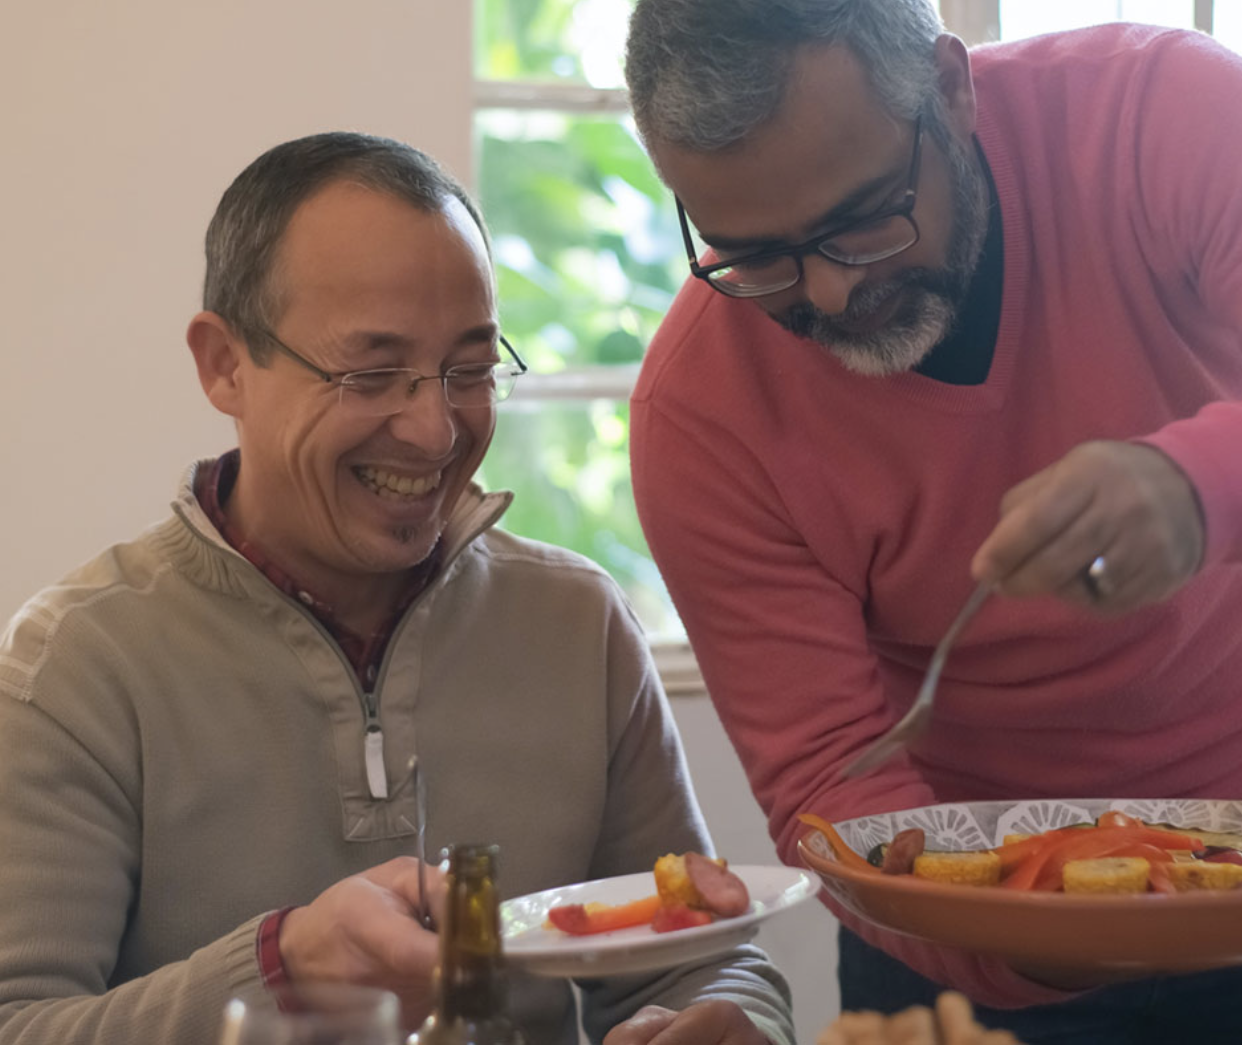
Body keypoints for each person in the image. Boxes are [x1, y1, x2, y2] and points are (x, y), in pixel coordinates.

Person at [0, 132, 793, 1046]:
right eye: (371, 374)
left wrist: (732, 1021)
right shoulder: (77, 666)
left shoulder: (574, 626)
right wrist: (281, 971)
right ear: (224, 364)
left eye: (471, 370)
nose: (433, 430)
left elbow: (702, 950)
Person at [623, 0, 1242, 1040]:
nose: (831, 292)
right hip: (964, 928)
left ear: (950, 88)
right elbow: (828, 773)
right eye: (751, 255)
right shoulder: (698, 414)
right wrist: (1037, 921)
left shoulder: (1160, 114)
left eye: (862, 219)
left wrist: (1197, 487)